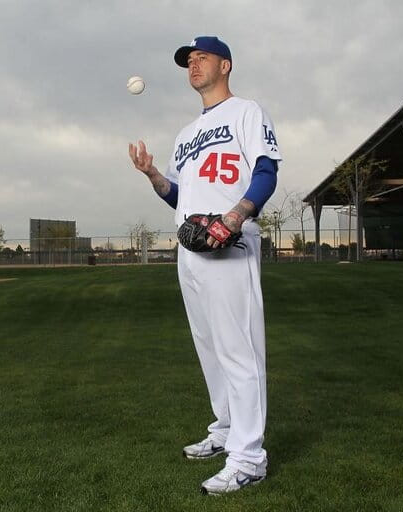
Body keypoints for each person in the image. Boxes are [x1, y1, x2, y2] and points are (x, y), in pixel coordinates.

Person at [128, 36, 282, 495]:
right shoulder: (185, 134)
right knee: (210, 347)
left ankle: (250, 457)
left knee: (239, 350)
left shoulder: (247, 112)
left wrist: (236, 216)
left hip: (230, 242)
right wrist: (155, 176)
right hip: (190, 247)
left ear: (225, 65)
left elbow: (267, 170)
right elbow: (181, 196)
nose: (193, 65)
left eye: (201, 58)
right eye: (188, 61)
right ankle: (226, 429)